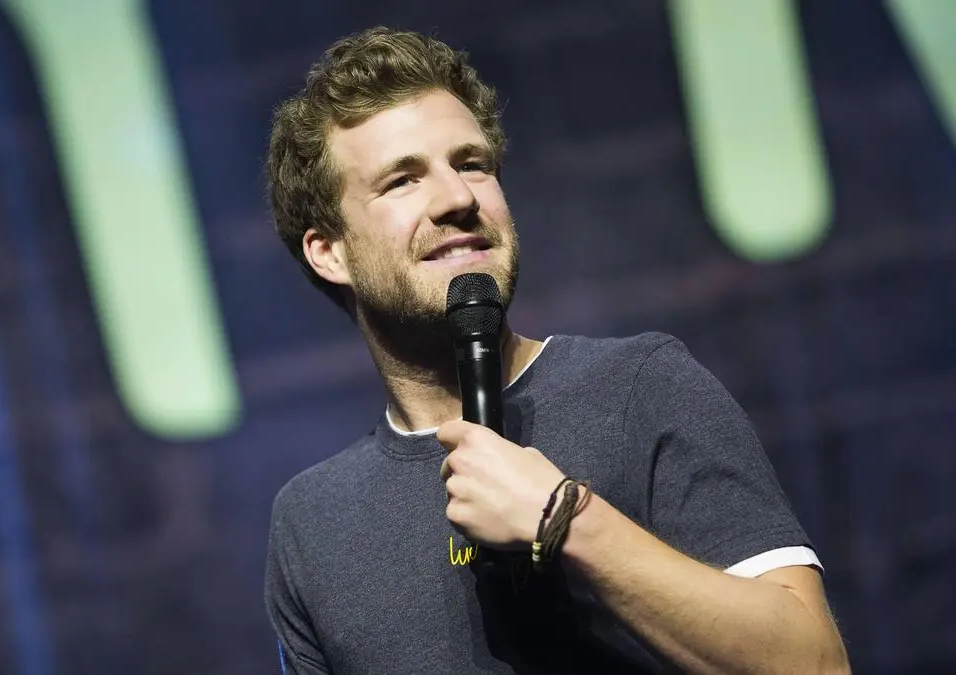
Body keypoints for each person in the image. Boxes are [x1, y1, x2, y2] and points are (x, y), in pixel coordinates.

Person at [262, 26, 850, 674]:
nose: (458, 198)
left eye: (471, 163)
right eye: (402, 180)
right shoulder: (312, 521)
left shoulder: (639, 388)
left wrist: (567, 520)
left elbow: (814, 664)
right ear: (329, 252)